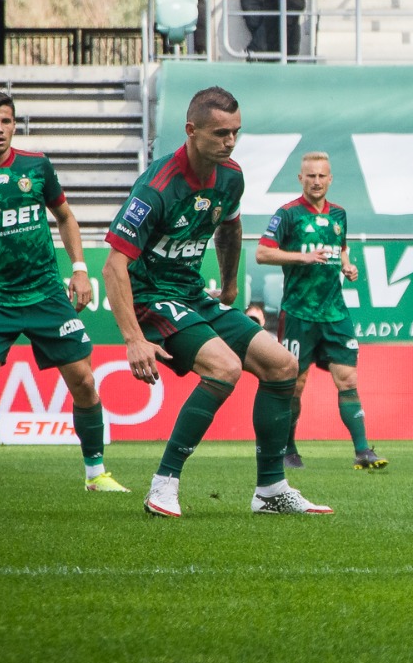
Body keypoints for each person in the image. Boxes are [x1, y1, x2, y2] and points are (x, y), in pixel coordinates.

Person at [104, 86, 330, 518]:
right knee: (224, 368)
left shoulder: (231, 176)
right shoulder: (157, 187)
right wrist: (133, 339)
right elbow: (114, 267)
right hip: (150, 297)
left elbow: (230, 229)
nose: (230, 141)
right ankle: (163, 485)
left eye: (236, 133)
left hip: (193, 294)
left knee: (281, 365)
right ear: (191, 131)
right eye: (220, 133)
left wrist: (228, 290)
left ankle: (270, 490)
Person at [0, 91, 126, 495]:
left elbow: (66, 217)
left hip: (45, 293)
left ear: (14, 124)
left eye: (5, 121)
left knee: (84, 380)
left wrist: (81, 271)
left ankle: (96, 473)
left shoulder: (37, 166)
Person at [255, 151, 387, 471]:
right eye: (310, 176)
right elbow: (262, 253)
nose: (316, 181)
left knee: (348, 379)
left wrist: (347, 266)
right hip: (299, 313)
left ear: (330, 179)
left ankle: (362, 451)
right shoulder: (287, 215)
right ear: (300, 179)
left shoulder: (339, 214)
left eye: (321, 176)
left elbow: (341, 249)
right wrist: (302, 258)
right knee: (295, 384)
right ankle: (288, 448)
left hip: (335, 313)